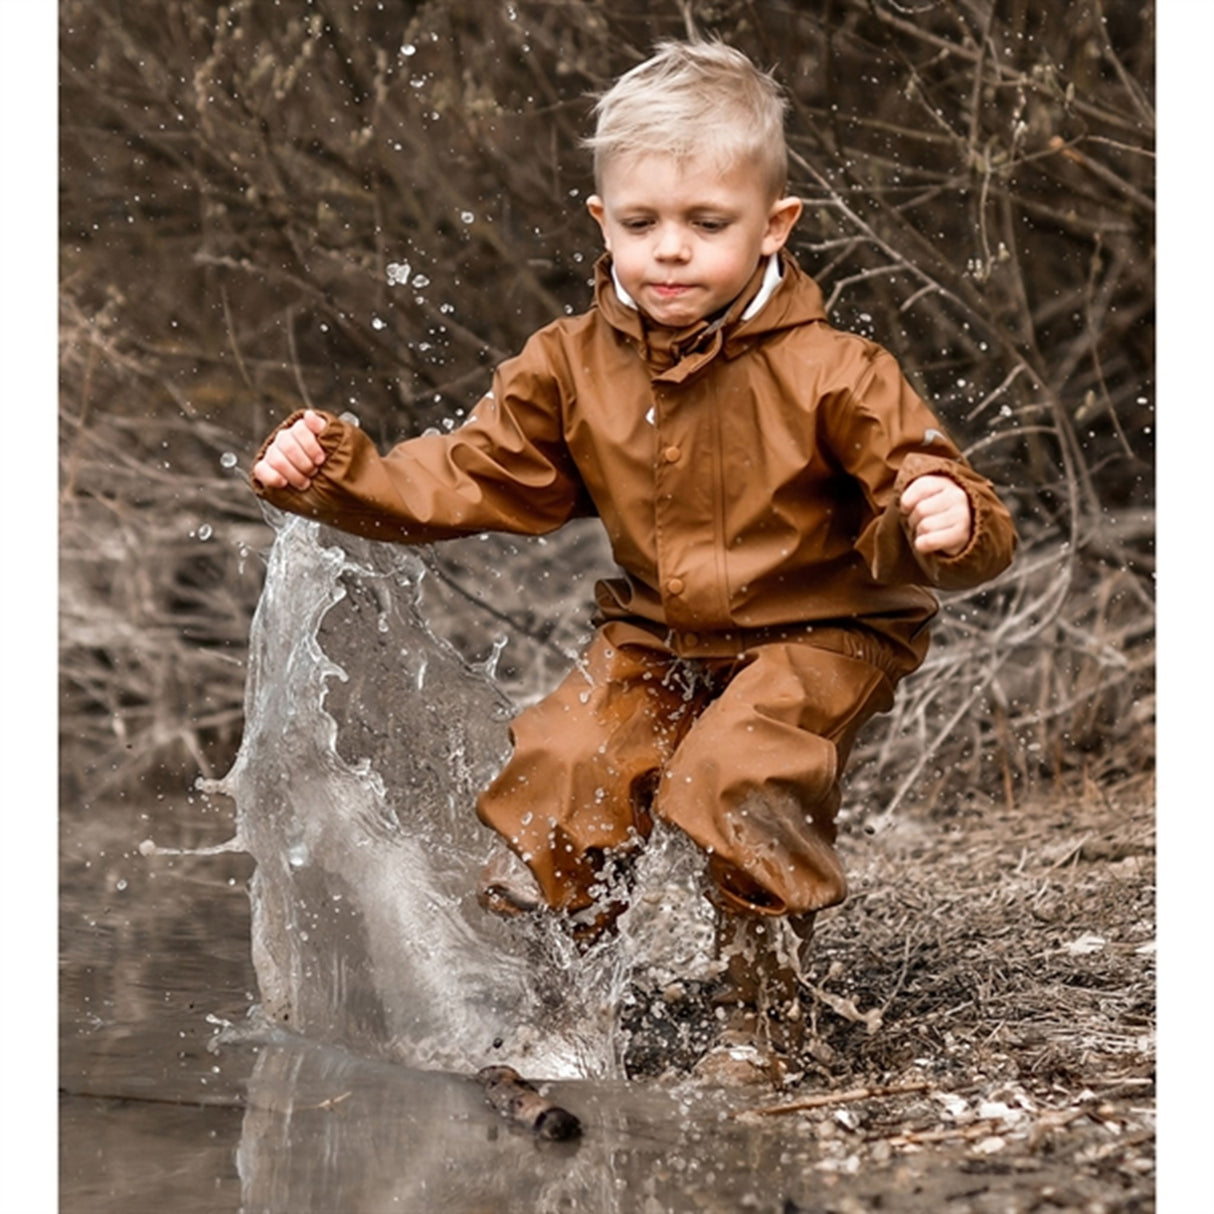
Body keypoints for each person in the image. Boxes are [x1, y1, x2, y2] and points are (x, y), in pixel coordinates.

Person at [250, 39, 1017, 1083]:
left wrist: (945, 514)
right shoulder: (571, 363)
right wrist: (338, 471)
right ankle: (572, 1008)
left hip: (825, 629)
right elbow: (471, 472)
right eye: (642, 223)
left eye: (707, 224)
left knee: (740, 773)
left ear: (773, 226)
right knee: (566, 765)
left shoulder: (836, 371)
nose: (670, 252)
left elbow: (935, 482)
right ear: (601, 221)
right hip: (660, 631)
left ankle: (761, 1019)